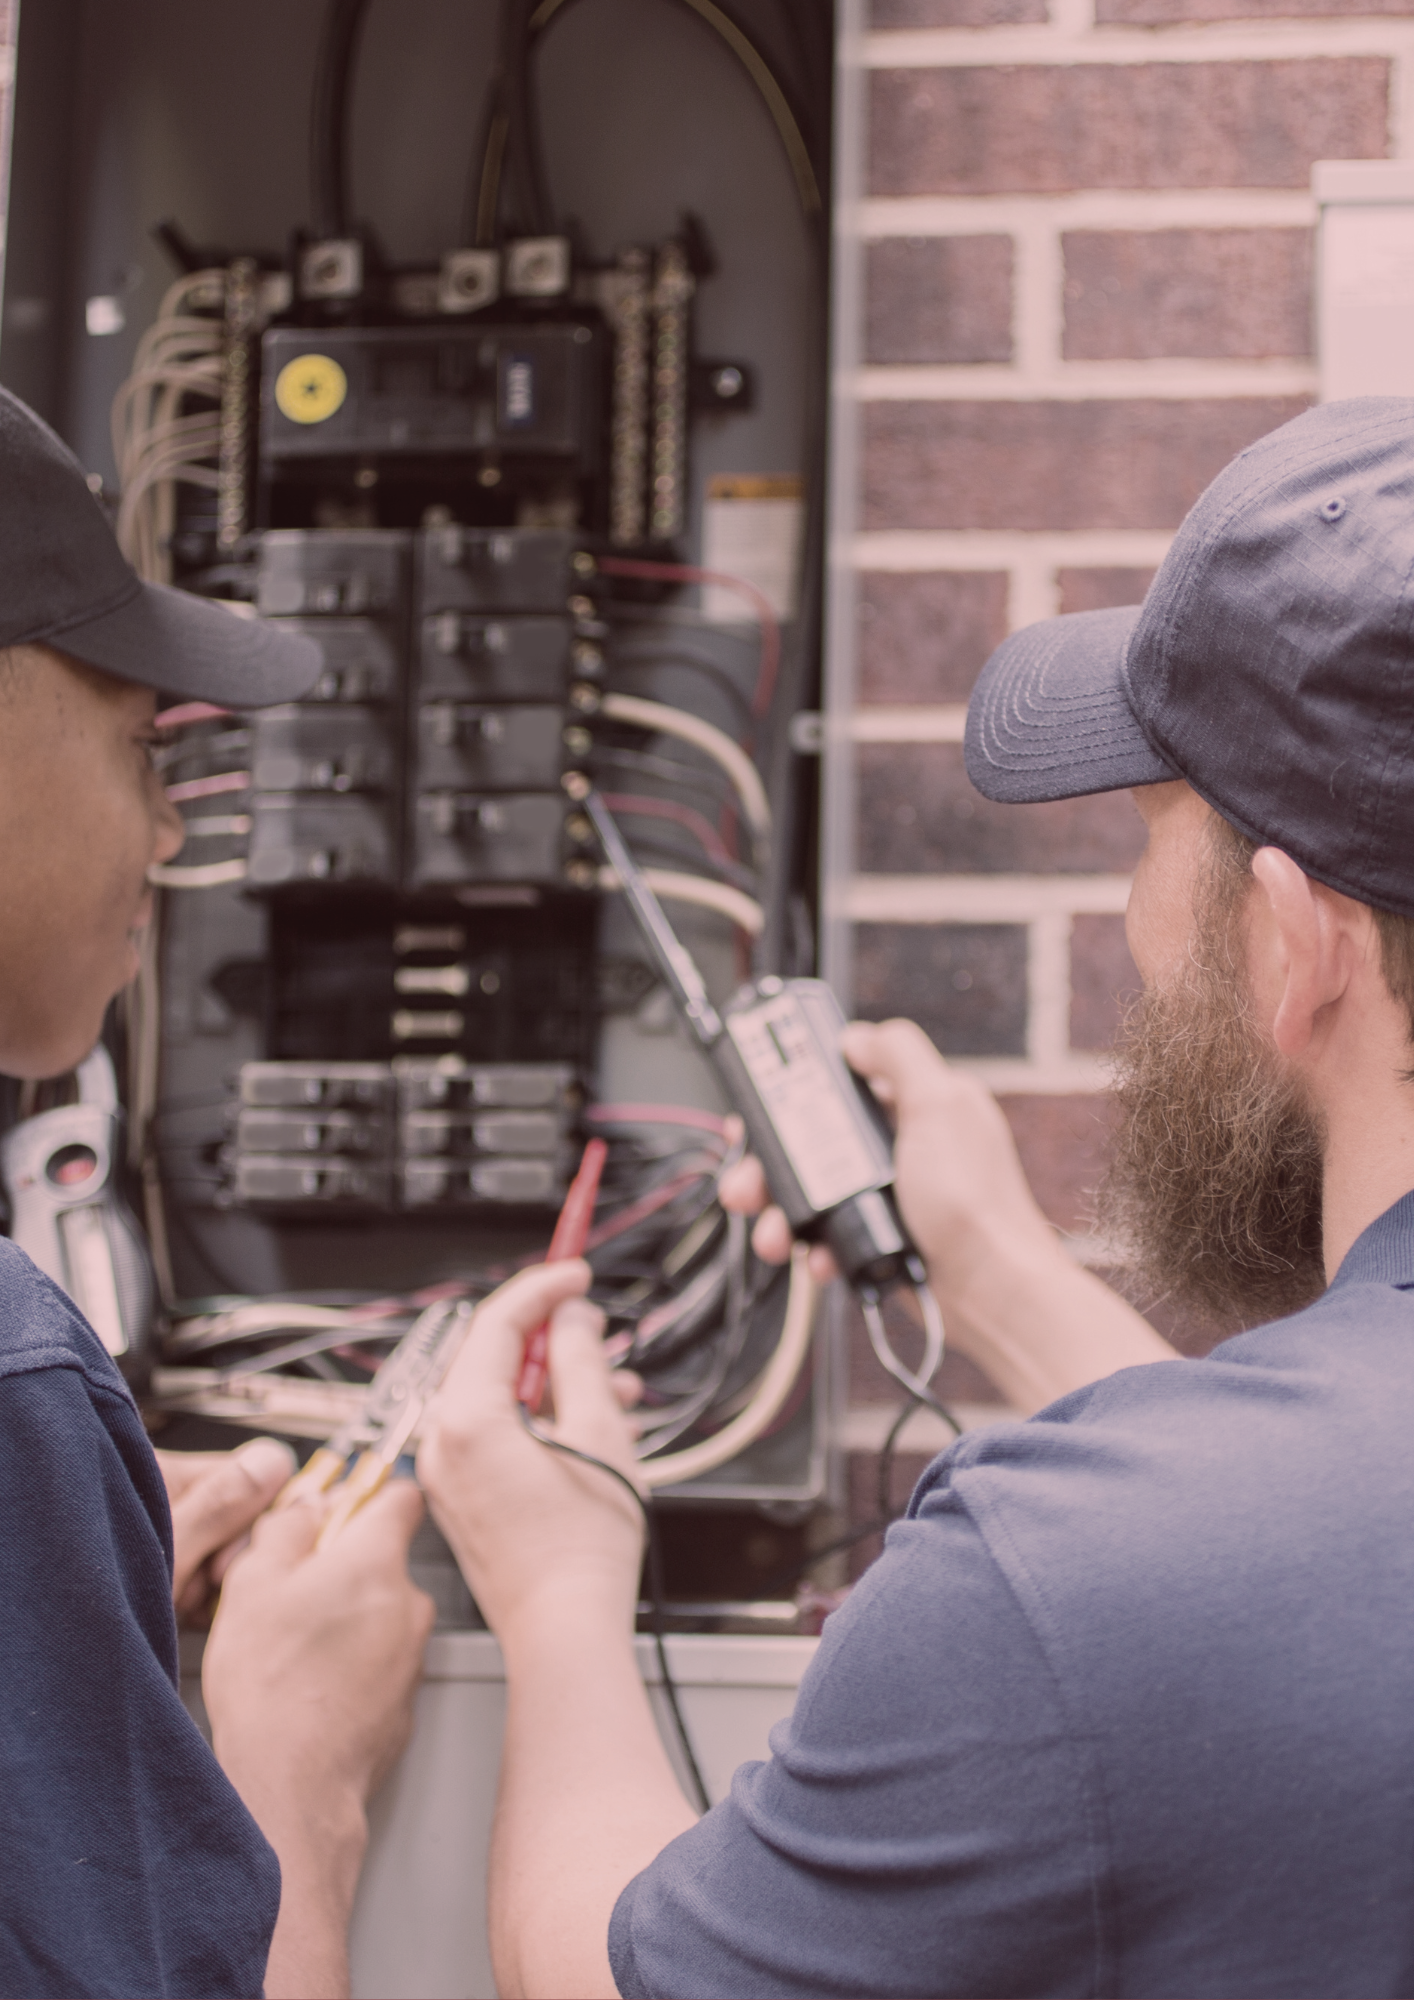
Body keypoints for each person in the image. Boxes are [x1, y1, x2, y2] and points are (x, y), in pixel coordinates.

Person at [417, 395, 1414, 1997]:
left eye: (1153, 835)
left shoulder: (1056, 1585)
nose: (1136, 925)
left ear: (1294, 946)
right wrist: (997, 1273)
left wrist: (553, 1587)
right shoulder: (1197, 1561)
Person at [0, 386, 434, 1999]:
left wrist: (68, 1568)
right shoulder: (16, 1376)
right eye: (136, 749)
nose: (169, 831)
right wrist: (288, 1783)